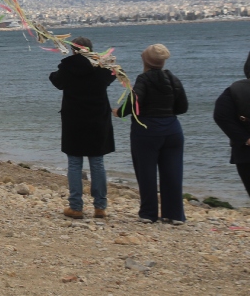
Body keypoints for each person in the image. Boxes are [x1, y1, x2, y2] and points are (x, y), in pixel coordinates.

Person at [116, 44, 188, 224]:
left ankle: (148, 213)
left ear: (145, 61)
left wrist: (119, 112)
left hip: (147, 131)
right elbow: (183, 107)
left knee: (146, 172)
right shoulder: (173, 78)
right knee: (173, 172)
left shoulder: (143, 79)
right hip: (172, 129)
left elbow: (133, 102)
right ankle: (174, 214)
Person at [49, 37, 115, 220]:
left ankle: (76, 206)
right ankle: (100, 207)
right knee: (97, 163)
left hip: (74, 120)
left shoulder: (67, 67)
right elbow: (113, 75)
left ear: (73, 50)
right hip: (97, 120)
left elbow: (56, 81)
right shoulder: (101, 68)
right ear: (91, 50)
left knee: (75, 163)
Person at [213, 51, 250, 198]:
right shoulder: (236, 90)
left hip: (245, 153)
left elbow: (220, 115)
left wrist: (245, 138)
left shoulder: (234, 90)